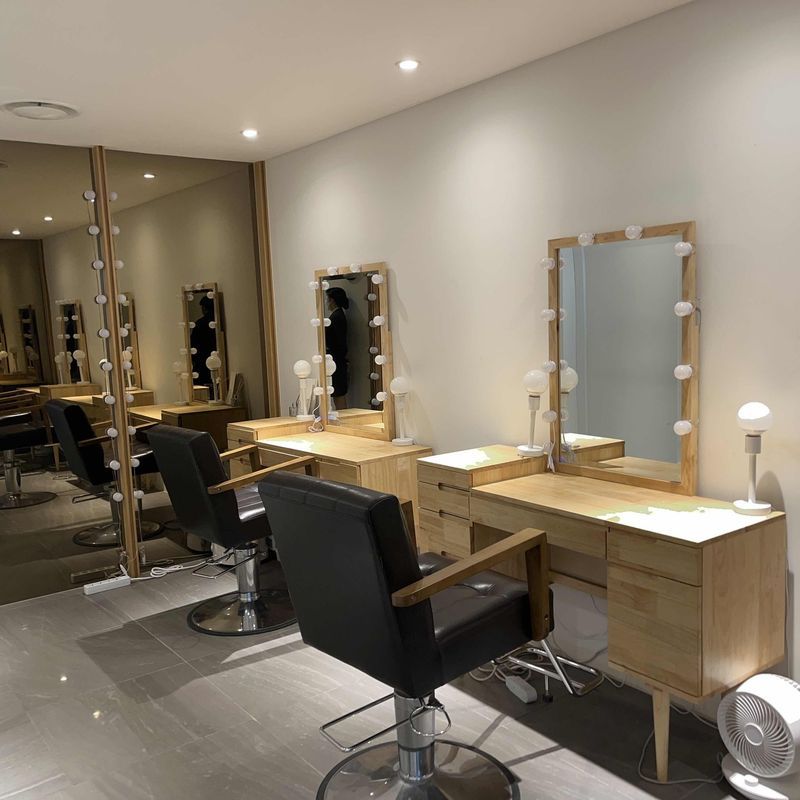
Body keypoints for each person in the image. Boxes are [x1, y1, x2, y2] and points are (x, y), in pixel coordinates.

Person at [325, 286, 349, 406]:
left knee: (338, 394)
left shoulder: (336, 317)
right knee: (337, 394)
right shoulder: (338, 316)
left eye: (327, 299)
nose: (326, 302)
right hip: (337, 360)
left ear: (332, 300)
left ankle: (343, 417)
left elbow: (339, 342)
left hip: (337, 360)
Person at [190, 296, 216, 386]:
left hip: (201, 361)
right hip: (215, 358)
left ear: (204, 308)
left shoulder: (200, 324)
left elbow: (193, 344)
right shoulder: (218, 322)